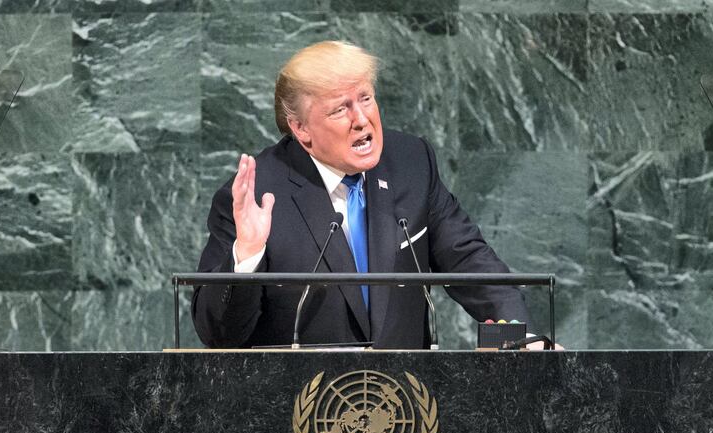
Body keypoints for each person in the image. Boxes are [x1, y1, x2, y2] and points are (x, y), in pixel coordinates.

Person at [192, 40, 531, 349]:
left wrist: (520, 337)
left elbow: (469, 260)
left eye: (366, 98)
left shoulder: (411, 163)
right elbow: (219, 337)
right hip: (300, 406)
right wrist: (247, 255)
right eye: (340, 109)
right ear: (301, 129)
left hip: (408, 403)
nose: (361, 119)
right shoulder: (257, 196)